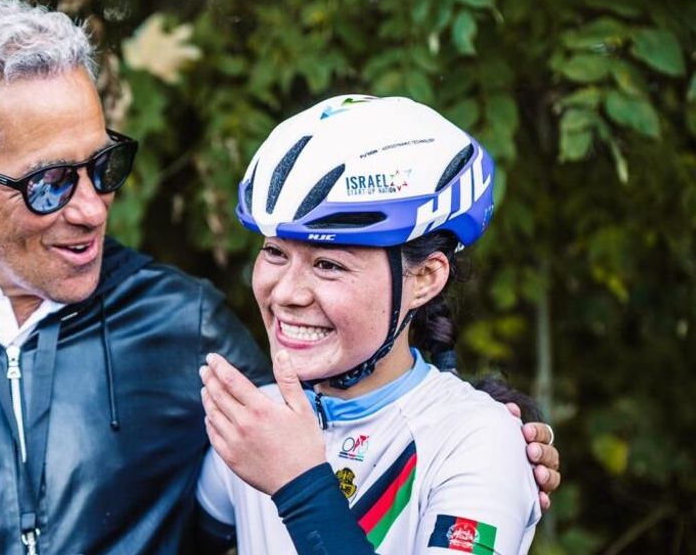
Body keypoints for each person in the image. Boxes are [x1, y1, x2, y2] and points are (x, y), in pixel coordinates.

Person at [0, 0, 559, 555]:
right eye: (50, 183)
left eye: (103, 165)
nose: (91, 208)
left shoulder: (184, 324)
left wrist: (485, 426)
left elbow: (357, 398)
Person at [198, 94, 546, 554]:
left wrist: (299, 484)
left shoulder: (477, 441)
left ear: (424, 278)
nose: (285, 293)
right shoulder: (254, 420)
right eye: (275, 252)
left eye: (328, 265)